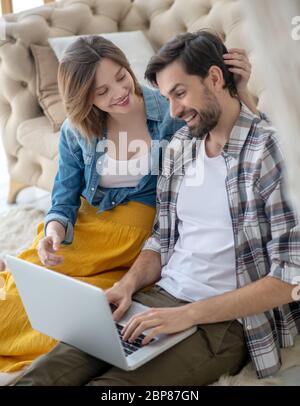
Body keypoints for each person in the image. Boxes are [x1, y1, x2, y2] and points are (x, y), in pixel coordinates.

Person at [15, 30, 299, 387]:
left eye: (179, 94)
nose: (174, 111)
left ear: (214, 77)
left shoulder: (270, 151)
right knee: (43, 373)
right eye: (166, 98)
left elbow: (290, 279)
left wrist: (185, 315)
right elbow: (160, 237)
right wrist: (127, 285)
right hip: (158, 295)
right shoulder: (180, 144)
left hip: (223, 321)